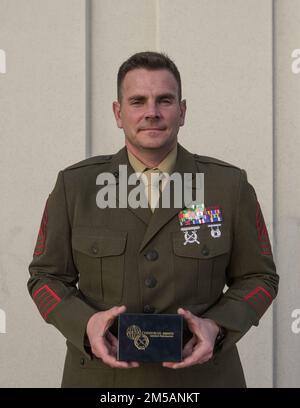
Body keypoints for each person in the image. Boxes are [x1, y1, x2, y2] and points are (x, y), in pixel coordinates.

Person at [28, 51, 279, 388]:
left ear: (182, 111)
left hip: (203, 379)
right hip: (104, 381)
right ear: (118, 113)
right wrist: (84, 324)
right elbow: (45, 277)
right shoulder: (76, 187)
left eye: (164, 100)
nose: (152, 112)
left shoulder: (227, 186)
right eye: (137, 101)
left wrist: (217, 327)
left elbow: (260, 277)